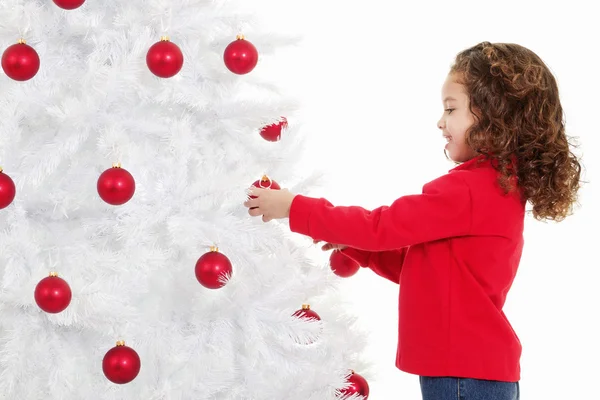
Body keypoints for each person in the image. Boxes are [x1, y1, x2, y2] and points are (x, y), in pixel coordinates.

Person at [243, 41, 582, 400]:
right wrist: (356, 247)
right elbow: (424, 269)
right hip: (471, 371)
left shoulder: (470, 189)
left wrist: (295, 207)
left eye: (451, 109)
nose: (440, 122)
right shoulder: (496, 188)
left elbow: (382, 227)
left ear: (492, 115)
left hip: (462, 375)